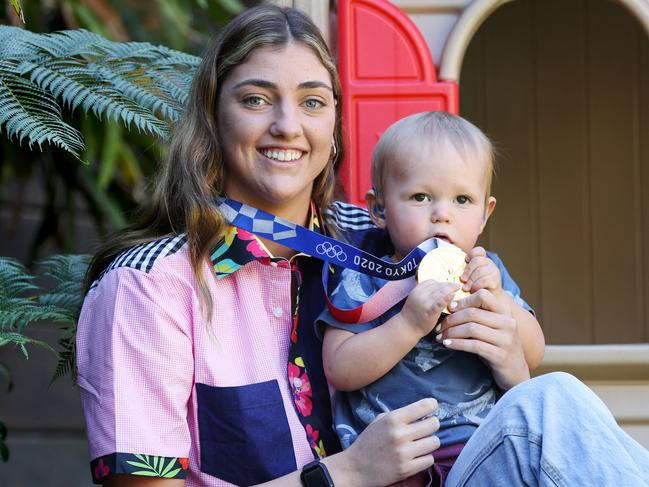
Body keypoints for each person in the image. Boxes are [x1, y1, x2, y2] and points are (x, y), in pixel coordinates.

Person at [75, 4, 649, 487]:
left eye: (313, 101)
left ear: (335, 125)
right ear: (211, 117)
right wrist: (341, 474)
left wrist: (508, 359)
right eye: (255, 99)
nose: (287, 125)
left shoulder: (376, 236)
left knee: (545, 403)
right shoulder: (151, 286)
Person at [318, 111, 543, 486]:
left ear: (485, 214)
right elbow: (339, 368)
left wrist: (501, 301)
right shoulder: (365, 278)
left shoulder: (486, 271)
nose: (442, 215)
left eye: (462, 200)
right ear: (379, 209)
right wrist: (407, 325)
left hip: (482, 451)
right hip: (395, 459)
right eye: (420, 197)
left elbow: (533, 353)